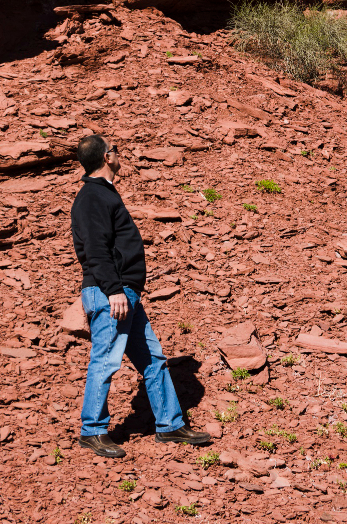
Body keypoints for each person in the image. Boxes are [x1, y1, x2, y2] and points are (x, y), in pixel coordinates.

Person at [70, 133, 211, 457]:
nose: (119, 154)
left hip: (124, 295)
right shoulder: (93, 196)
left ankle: (170, 425)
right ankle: (92, 430)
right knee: (105, 361)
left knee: (153, 360)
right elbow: (94, 250)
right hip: (112, 295)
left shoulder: (103, 194)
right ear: (107, 156)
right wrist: (114, 290)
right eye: (116, 149)